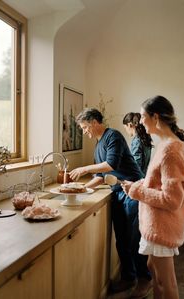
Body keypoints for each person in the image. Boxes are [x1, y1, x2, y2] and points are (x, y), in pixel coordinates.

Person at [69, 108, 152, 297]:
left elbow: (111, 165)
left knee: (134, 239)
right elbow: (101, 175)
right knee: (121, 239)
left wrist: (83, 169)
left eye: (84, 127)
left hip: (132, 191)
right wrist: (82, 189)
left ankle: (144, 280)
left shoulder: (113, 136)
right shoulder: (98, 145)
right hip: (117, 192)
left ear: (94, 122)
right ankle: (128, 277)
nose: (84, 131)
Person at [121, 95, 184, 299]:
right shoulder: (165, 145)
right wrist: (136, 185)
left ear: (155, 116)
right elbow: (156, 182)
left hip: (162, 224)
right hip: (155, 222)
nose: (141, 121)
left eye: (143, 116)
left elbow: (172, 199)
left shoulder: (170, 149)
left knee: (166, 282)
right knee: (152, 267)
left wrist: (136, 191)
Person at [123, 112, 152, 176]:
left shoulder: (136, 141)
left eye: (125, 128)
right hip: (144, 177)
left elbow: (135, 166)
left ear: (130, 125)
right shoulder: (146, 140)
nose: (126, 131)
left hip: (137, 179)